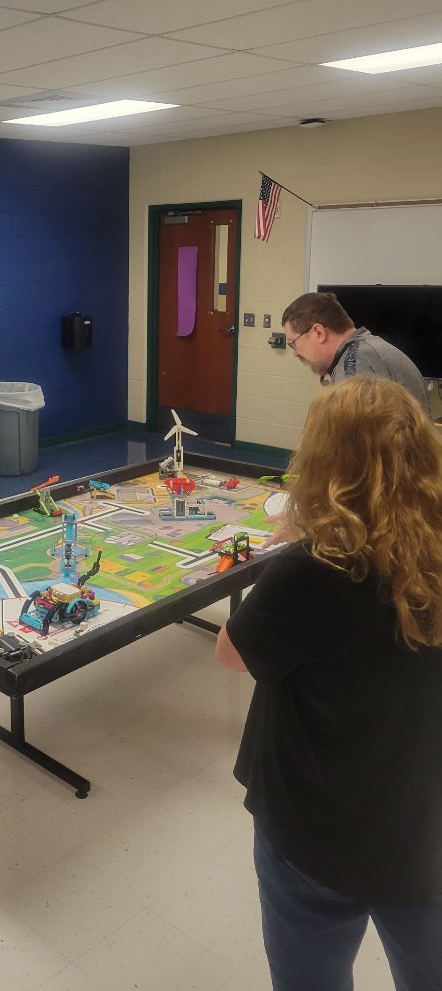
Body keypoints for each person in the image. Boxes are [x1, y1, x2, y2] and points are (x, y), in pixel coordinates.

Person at [216, 377, 442, 991]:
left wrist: (288, 544)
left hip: (314, 829)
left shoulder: (312, 566)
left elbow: (231, 653)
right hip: (424, 827)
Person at [281, 291, 429, 411]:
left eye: (294, 343)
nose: (295, 352)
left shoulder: (353, 368)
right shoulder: (370, 348)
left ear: (318, 332)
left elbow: (354, 443)